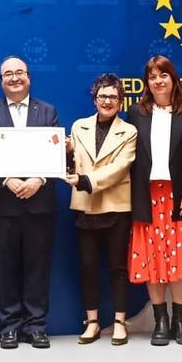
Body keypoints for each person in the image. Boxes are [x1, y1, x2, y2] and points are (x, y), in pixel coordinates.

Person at [127, 55, 182, 346]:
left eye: (163, 75)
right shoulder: (137, 113)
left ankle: (180, 321)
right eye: (152, 76)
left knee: (179, 258)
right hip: (147, 196)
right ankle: (160, 321)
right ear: (146, 83)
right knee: (152, 258)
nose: (158, 81)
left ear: (174, 79)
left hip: (181, 197)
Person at [0, 56, 60, 349]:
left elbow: (56, 152)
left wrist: (38, 179)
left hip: (40, 201)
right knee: (5, 267)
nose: (14, 78)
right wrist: (8, 179)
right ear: (1, 80)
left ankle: (36, 326)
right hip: (2, 204)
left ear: (29, 77)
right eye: (7, 74)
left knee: (38, 267)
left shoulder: (47, 111)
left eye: (19, 73)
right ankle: (10, 326)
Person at [64, 73, 137, 346]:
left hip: (116, 206)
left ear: (120, 101)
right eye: (102, 96)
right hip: (84, 206)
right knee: (87, 266)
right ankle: (92, 322)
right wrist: (62, 151)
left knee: (118, 267)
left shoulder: (129, 131)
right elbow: (73, 160)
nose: (107, 101)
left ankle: (119, 322)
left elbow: (120, 168)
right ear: (94, 99)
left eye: (113, 96)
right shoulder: (78, 126)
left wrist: (85, 180)